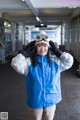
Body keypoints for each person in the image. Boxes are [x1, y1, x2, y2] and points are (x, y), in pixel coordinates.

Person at [11, 31, 73, 120]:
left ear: (48, 47)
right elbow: (15, 63)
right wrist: (24, 53)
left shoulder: (55, 62)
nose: (42, 48)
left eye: (45, 45)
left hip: (51, 99)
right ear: (35, 47)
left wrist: (58, 52)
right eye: (39, 45)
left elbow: (69, 61)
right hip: (35, 100)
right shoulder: (29, 62)